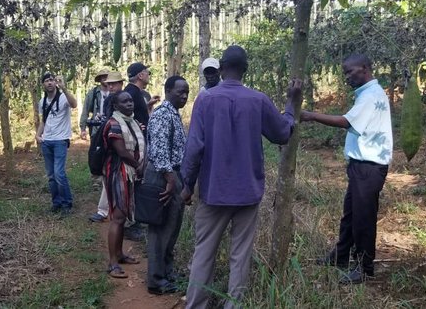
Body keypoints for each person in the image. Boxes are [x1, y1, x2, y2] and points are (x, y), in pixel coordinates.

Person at [181, 45, 302, 308]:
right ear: (245, 70)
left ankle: (196, 305)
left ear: (221, 69)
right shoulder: (258, 100)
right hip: (247, 191)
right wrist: (291, 105)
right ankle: (233, 305)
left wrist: (187, 185)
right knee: (240, 254)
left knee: (204, 252)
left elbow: (194, 148)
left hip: (213, 191)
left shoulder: (206, 100)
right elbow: (282, 133)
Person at [300, 54, 392, 284]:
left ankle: (364, 267)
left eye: (350, 72)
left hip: (369, 166)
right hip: (362, 165)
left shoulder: (370, 96)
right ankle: (340, 257)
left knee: (363, 218)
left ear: (365, 68)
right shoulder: (369, 94)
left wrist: (309, 115)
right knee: (351, 215)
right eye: (345, 73)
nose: (347, 77)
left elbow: (347, 122)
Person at [145, 76, 189, 295]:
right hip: (164, 175)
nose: (184, 96)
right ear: (168, 90)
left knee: (172, 228)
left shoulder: (173, 113)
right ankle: (155, 279)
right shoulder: (163, 114)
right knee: (160, 229)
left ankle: (167, 271)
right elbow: (160, 150)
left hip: (173, 174)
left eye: (187, 92)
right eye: (180, 91)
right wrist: (171, 180)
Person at [104, 91, 146, 279]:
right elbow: (121, 152)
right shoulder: (114, 124)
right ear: (115, 106)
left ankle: (120, 254)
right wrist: (139, 166)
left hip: (130, 172)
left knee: (123, 216)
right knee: (118, 217)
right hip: (118, 172)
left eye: (131, 100)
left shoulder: (131, 122)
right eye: (124, 101)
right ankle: (113, 263)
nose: (130, 104)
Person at [123, 62, 159, 241]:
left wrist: (148, 106)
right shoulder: (131, 92)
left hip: (140, 143)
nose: (149, 74)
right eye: (147, 72)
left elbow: (135, 113)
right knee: (135, 181)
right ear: (139, 75)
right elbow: (122, 115)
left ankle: (134, 221)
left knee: (138, 180)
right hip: (135, 146)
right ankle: (131, 223)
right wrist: (134, 126)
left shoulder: (135, 93)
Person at [36, 72, 78, 216]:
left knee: (59, 173)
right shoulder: (42, 102)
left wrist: (64, 88)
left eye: (52, 80)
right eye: (46, 81)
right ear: (43, 84)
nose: (49, 83)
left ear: (55, 82)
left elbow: (74, 104)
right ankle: (56, 203)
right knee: (51, 175)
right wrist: (38, 134)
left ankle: (67, 203)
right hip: (47, 141)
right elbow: (44, 121)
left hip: (60, 140)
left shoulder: (63, 98)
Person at [89, 71, 125, 223]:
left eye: (113, 83)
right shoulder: (107, 98)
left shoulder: (124, 98)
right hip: (109, 141)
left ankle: (116, 211)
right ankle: (105, 210)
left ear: (120, 84)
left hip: (122, 141)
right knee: (108, 175)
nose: (110, 86)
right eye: (109, 84)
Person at [80, 69, 110, 192]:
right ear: (99, 80)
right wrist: (83, 128)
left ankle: (108, 177)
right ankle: (96, 179)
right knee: (95, 153)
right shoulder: (93, 93)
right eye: (102, 77)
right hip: (96, 128)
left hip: (111, 126)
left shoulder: (115, 91)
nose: (105, 79)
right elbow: (85, 110)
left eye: (106, 77)